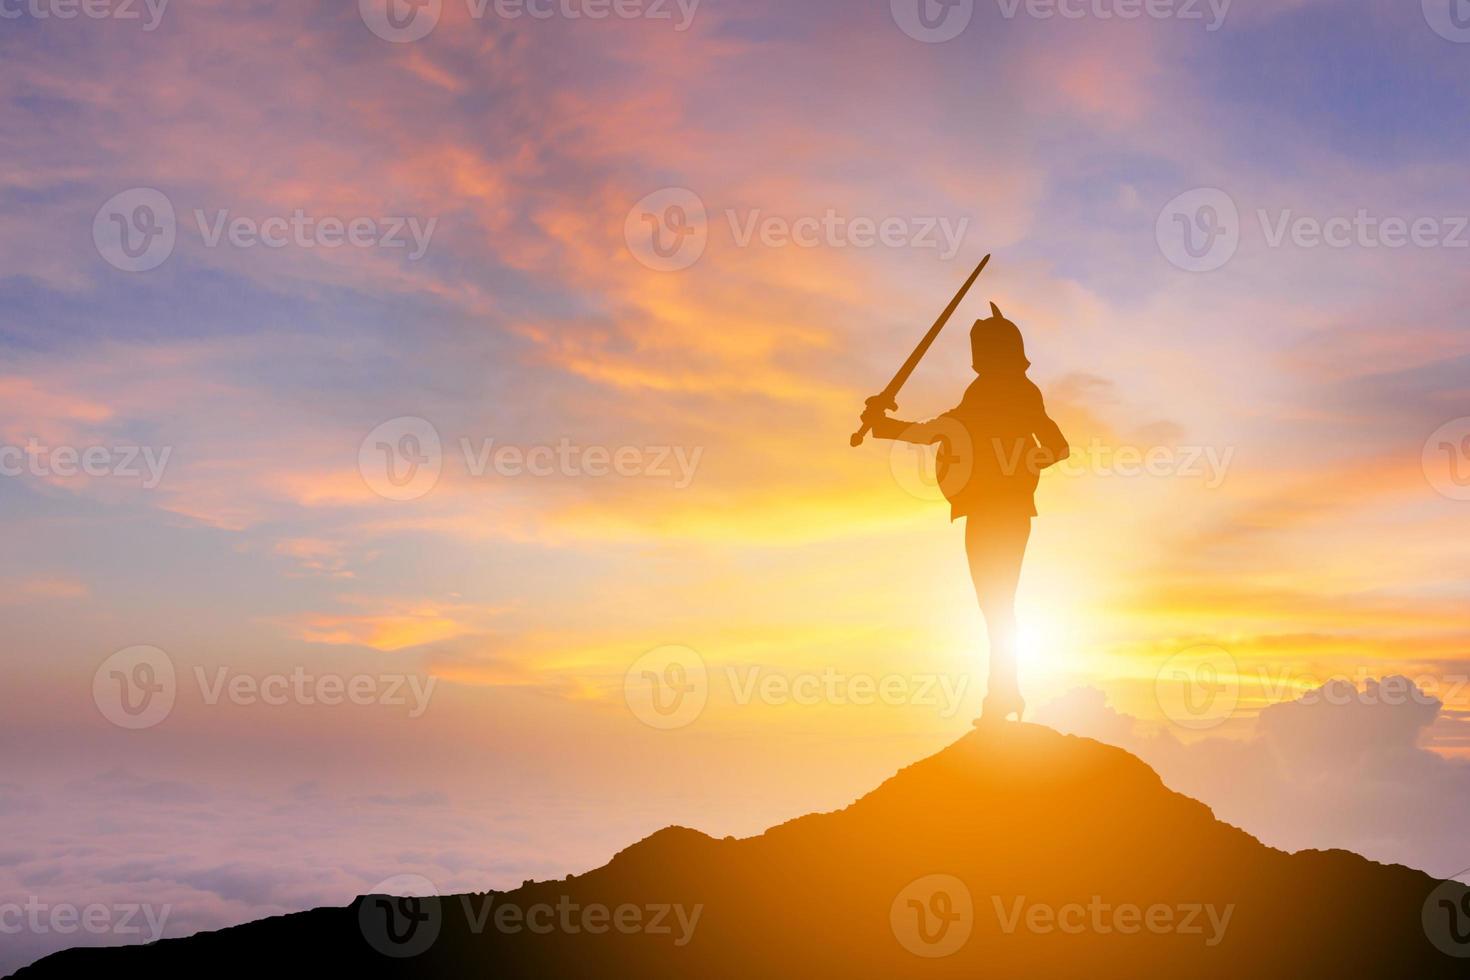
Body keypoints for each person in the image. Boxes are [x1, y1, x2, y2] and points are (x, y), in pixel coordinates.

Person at [862, 303, 1069, 723]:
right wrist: (886, 426)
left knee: (996, 603)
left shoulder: (1010, 392)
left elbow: (1057, 447)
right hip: (995, 508)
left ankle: (1004, 695)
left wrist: (1015, 463)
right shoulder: (999, 391)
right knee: (995, 603)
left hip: (1000, 510)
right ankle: (1005, 693)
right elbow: (947, 428)